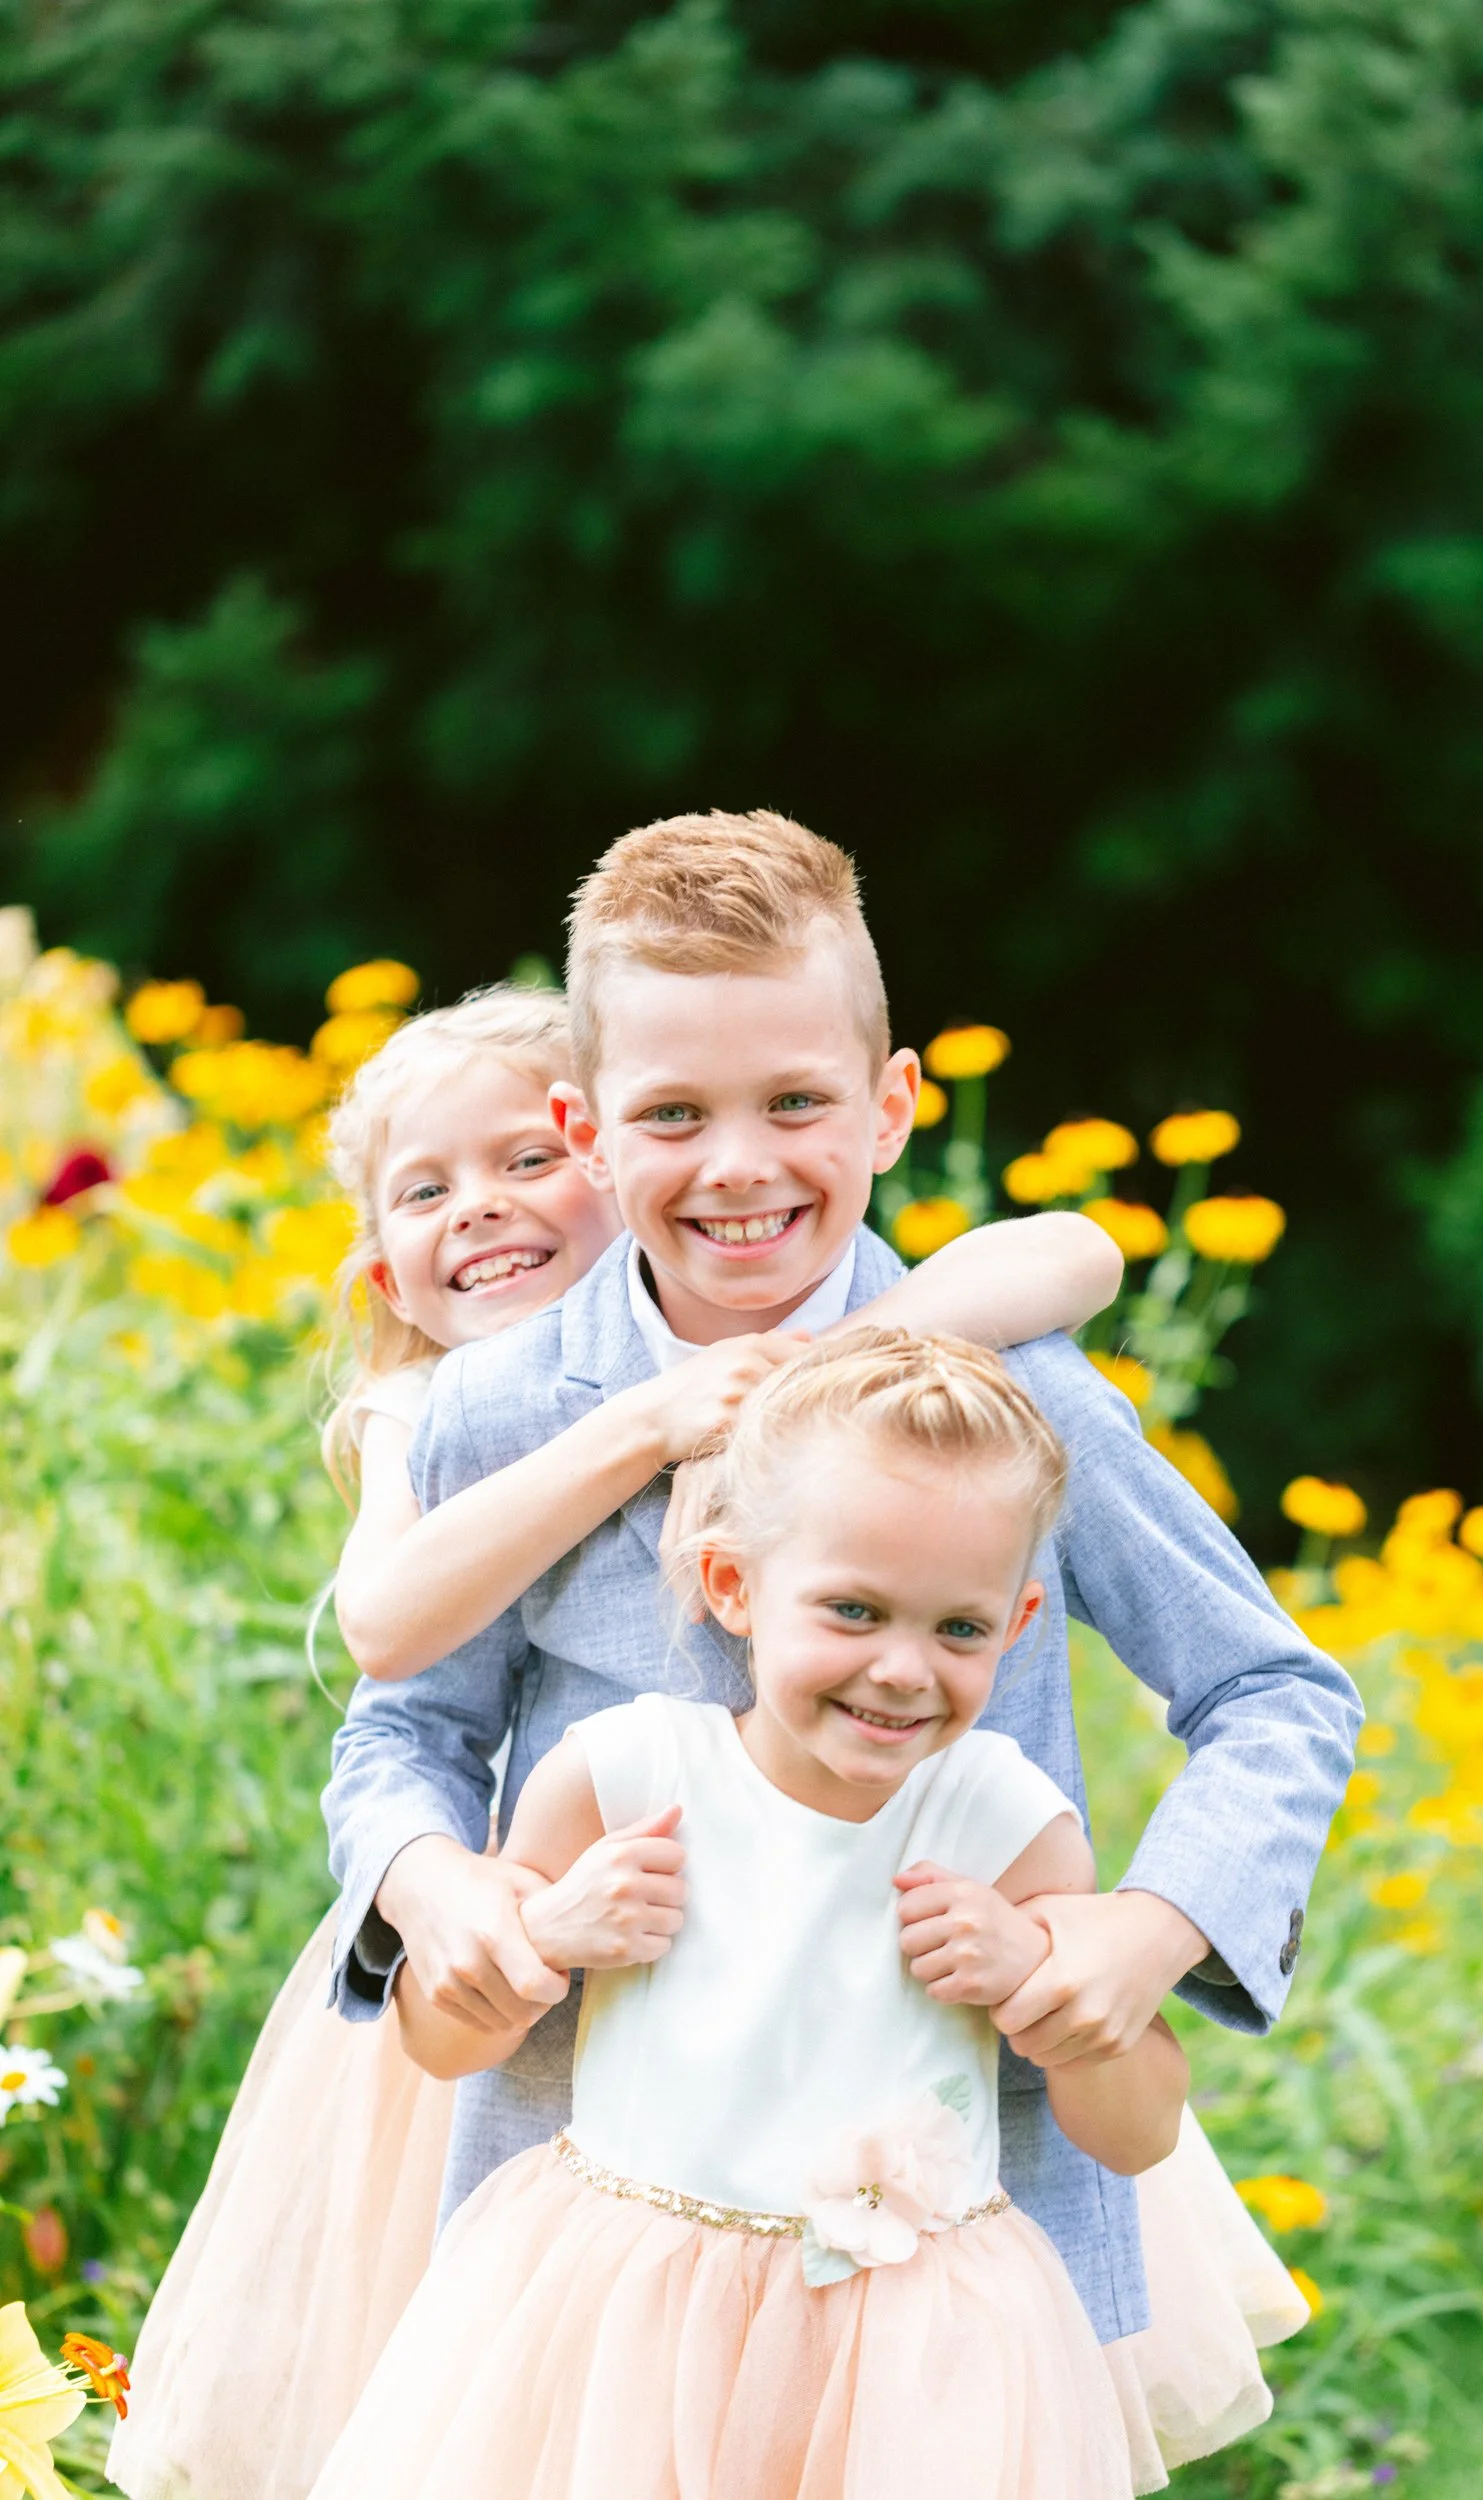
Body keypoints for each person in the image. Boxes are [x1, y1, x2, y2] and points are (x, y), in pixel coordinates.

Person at [324, 811, 1361, 2378]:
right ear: (587, 1130)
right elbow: (404, 1732)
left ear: (887, 1109)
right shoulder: (507, 1412)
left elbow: (1274, 1691)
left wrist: (1145, 1931)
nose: (737, 1165)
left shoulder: (1012, 1404)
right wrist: (435, 1887)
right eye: (671, 1112)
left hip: (943, 2206)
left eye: (795, 1102)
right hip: (598, 2190)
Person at [107, 987, 1130, 2500]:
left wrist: (826, 1353)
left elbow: (1079, 1251)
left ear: (597, 1149)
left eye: (523, 1159)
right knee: (521, 2400)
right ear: (380, 1261)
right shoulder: (445, 1409)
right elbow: (391, 1657)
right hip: (541, 1961)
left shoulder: (839, 1372)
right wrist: (644, 1427)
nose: (484, 1211)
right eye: (427, 1190)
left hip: (864, 2000)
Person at [310, 1332, 1302, 2500]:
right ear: (734, 1585)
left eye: (958, 1629)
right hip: (628, 2315)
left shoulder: (1005, 1825)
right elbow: (444, 2038)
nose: (899, 1669)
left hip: (909, 2355)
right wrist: (548, 1933)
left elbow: (1134, 2132)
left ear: (1019, 1620)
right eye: (852, 1610)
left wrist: (1033, 1971)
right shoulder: (620, 1778)